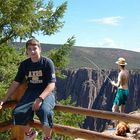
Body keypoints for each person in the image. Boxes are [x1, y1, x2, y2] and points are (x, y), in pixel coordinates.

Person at [0, 38, 56, 140]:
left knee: (45, 112)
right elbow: (16, 82)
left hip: (46, 93)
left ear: (40, 49)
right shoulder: (24, 65)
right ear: (27, 51)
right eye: (29, 49)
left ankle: (47, 137)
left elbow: (51, 84)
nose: (32, 51)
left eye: (34, 48)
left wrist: (39, 99)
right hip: (30, 93)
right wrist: (4, 99)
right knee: (17, 113)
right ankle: (30, 134)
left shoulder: (47, 63)